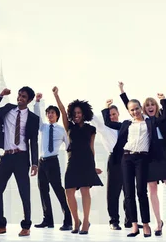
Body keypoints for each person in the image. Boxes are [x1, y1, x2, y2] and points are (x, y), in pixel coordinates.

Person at [118, 68, 166, 237]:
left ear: (157, 106)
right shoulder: (144, 121)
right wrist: (122, 92)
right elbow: (130, 107)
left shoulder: (162, 117)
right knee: (152, 190)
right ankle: (158, 223)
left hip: (162, 156)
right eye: (148, 105)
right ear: (144, 109)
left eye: (153, 104)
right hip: (147, 157)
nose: (150, 107)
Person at [103, 97, 163, 238]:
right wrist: (107, 108)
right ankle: (134, 225)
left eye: (137, 108)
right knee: (129, 194)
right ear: (129, 112)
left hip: (142, 158)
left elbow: (165, 116)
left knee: (141, 192)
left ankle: (146, 225)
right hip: (127, 158)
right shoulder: (126, 124)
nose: (135, 111)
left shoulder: (150, 122)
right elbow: (108, 123)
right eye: (132, 110)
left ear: (140, 108)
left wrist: (165, 100)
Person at [0, 87, 39, 237]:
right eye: (19, 95)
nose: (20, 98)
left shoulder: (33, 118)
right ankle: (1, 225)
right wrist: (0, 95)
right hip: (7, 157)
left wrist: (34, 163)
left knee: (24, 192)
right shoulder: (8, 109)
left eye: (24, 97)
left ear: (29, 100)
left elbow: (34, 141)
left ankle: (26, 226)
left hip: (22, 157)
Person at [52, 87, 102, 235]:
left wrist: (94, 166)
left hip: (87, 161)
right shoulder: (69, 127)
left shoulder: (91, 129)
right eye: (74, 114)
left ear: (84, 113)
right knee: (69, 191)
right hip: (72, 161)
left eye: (79, 113)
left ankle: (86, 221)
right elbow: (61, 110)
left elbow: (92, 148)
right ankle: (76, 220)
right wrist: (56, 95)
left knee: (86, 191)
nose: (77, 115)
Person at [33, 92, 72, 231]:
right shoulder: (43, 127)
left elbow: (68, 146)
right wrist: (37, 102)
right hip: (42, 162)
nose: (50, 115)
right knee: (43, 191)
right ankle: (47, 219)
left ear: (57, 115)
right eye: (48, 113)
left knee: (58, 190)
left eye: (52, 113)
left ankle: (68, 220)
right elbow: (37, 117)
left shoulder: (61, 130)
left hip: (53, 162)